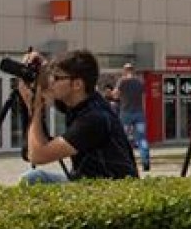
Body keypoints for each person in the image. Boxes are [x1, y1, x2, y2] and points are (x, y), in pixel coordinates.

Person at [16, 49, 139, 184]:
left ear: (77, 85)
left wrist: (35, 109)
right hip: (87, 179)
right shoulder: (83, 100)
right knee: (34, 177)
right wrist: (41, 66)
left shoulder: (94, 119)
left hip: (108, 188)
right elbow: (47, 90)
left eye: (56, 78)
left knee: (32, 178)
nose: (51, 82)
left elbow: (37, 156)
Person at [115, 62, 151, 171]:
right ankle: (145, 161)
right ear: (133, 70)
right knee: (142, 138)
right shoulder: (139, 82)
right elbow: (144, 97)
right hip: (139, 113)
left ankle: (124, 162)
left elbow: (115, 94)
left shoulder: (122, 82)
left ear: (125, 71)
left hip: (125, 113)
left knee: (123, 138)